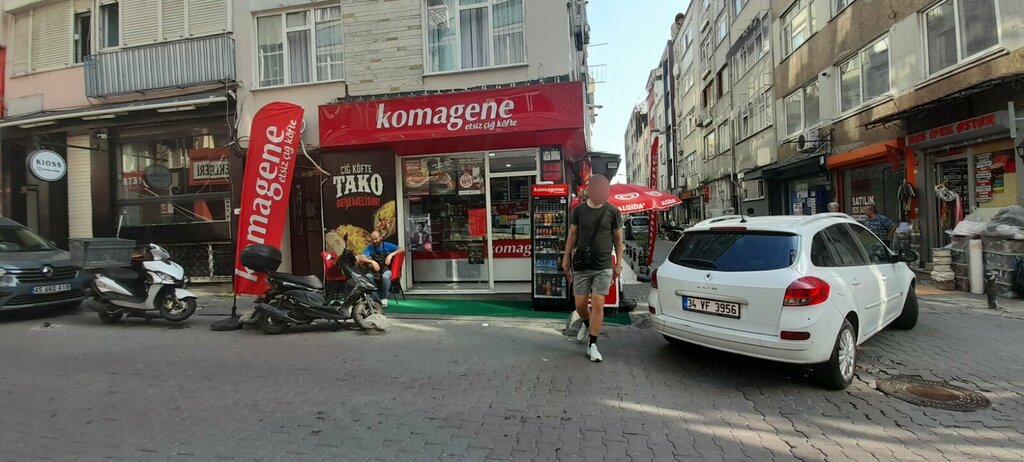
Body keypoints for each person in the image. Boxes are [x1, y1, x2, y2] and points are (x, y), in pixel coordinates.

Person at [562, 174, 623, 363]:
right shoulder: (579, 210)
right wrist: (565, 257)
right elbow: (572, 235)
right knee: (580, 304)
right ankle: (587, 323)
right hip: (582, 264)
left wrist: (618, 263)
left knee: (598, 302)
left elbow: (618, 239)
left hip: (603, 265)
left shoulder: (612, 211)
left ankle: (593, 344)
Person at [356, 231, 404, 307]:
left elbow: (401, 249)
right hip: (374, 271)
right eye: (372, 239)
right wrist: (372, 262)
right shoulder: (370, 247)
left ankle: (384, 298)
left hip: (385, 269)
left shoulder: (387, 245)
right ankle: (375, 297)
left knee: (386, 276)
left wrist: (391, 255)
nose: (374, 241)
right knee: (368, 276)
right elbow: (360, 258)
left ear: (381, 237)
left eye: (376, 239)